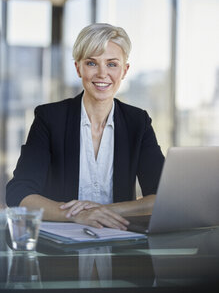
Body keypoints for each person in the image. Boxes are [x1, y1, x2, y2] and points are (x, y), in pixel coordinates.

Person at [6, 23, 164, 230]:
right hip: (61, 246)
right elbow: (18, 193)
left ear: (124, 71)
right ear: (78, 68)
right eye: (91, 63)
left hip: (118, 244)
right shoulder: (50, 118)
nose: (102, 73)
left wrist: (107, 211)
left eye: (112, 64)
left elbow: (162, 196)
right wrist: (75, 215)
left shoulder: (138, 122)